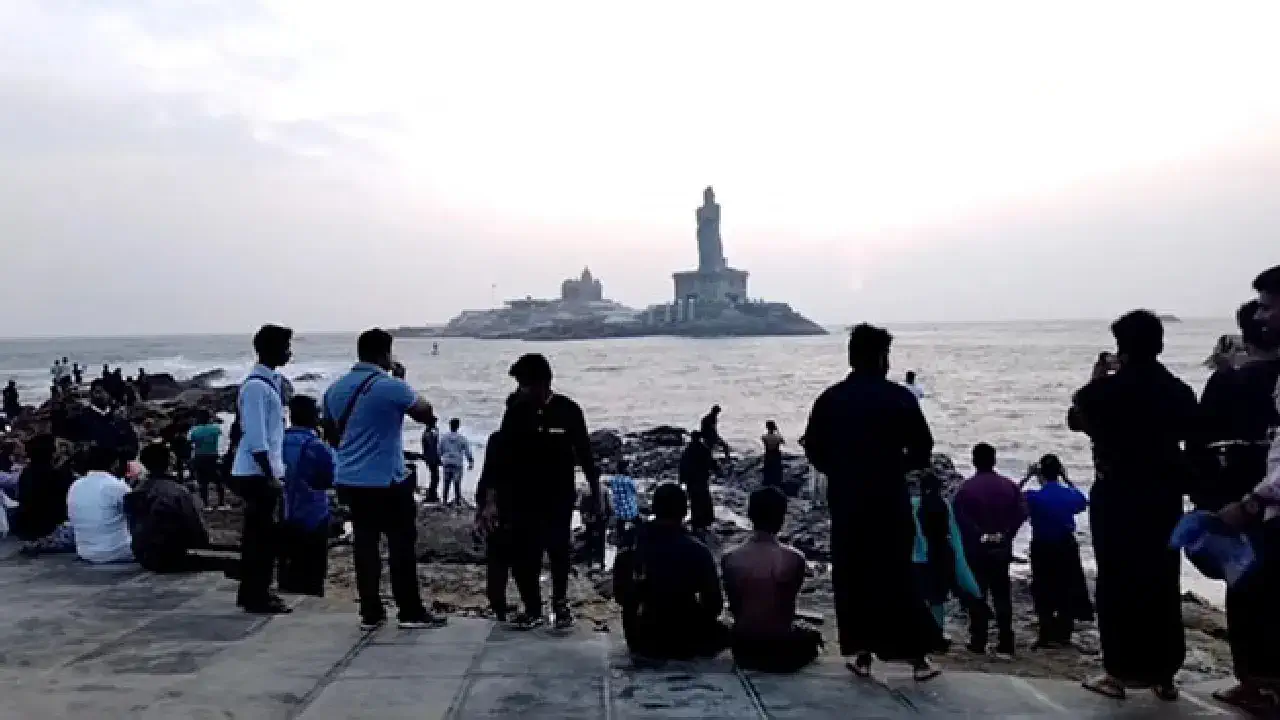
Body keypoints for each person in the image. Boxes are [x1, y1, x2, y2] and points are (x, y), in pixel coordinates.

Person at [803, 323, 942, 682]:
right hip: (889, 499)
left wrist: (843, 470)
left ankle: (862, 654)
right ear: (883, 357)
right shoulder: (899, 398)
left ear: (851, 356)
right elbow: (923, 451)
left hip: (848, 502)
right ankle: (917, 659)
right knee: (897, 574)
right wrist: (895, 465)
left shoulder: (830, 399)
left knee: (853, 577)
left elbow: (814, 450)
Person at [1069, 310, 1197, 701]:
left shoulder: (1102, 392)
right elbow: (1194, 434)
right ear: (1159, 344)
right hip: (1162, 497)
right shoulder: (1177, 391)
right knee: (1161, 579)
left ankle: (1119, 672)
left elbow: (1077, 420)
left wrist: (1098, 377)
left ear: (1120, 348)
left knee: (1117, 579)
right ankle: (1165, 674)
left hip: (1117, 494)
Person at [324, 328, 444, 631]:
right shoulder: (390, 386)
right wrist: (401, 380)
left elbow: (332, 434)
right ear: (385, 354)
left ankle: (371, 612)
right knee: (401, 545)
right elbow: (426, 414)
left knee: (365, 544)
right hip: (387, 480)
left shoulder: (334, 389)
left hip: (350, 478)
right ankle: (409, 611)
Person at [481, 353, 602, 631]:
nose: (520, 389)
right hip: (521, 497)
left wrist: (596, 493)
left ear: (542, 383)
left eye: (524, 383)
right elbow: (501, 458)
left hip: (559, 496)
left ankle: (560, 603)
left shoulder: (569, 410)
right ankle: (533, 607)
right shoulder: (515, 412)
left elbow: (585, 455)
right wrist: (491, 500)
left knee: (559, 550)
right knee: (526, 555)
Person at [1215, 267, 1280, 711]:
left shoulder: (1232, 382)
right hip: (1260, 497)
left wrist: (1257, 497)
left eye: (1269, 305)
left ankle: (1255, 683)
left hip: (1258, 500)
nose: (1263, 315)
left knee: (1249, 590)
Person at [613, 482, 729, 661]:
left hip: (641, 637)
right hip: (684, 637)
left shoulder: (631, 542)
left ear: (654, 509)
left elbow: (620, 595)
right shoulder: (697, 549)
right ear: (684, 512)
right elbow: (714, 604)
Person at [722, 487, 823, 672]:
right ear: (782, 518)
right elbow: (787, 602)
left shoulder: (730, 557)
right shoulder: (794, 558)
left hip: (743, 648)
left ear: (750, 515)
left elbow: (735, 605)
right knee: (812, 638)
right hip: (779, 647)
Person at [230, 324, 293, 615]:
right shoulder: (256, 387)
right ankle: (257, 595)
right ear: (271, 349)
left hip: (262, 471)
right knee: (260, 538)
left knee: (260, 535)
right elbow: (257, 438)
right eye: (285, 347)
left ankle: (253, 592)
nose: (289, 352)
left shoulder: (270, 383)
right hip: (256, 473)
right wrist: (271, 476)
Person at [952, 443, 1026, 658]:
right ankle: (1005, 641)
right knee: (1002, 594)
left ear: (974, 460)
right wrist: (1006, 533)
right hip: (1002, 548)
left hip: (977, 550)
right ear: (994, 460)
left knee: (978, 594)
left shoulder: (966, 489)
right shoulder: (1009, 486)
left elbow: (960, 519)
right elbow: (1022, 512)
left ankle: (978, 640)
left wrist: (979, 534)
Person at [124, 443, 233, 574]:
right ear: (170, 462)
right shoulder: (176, 491)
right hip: (172, 557)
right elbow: (196, 528)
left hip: (142, 554)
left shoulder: (135, 490)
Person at [1020, 454, 1092, 649]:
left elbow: (1013, 498)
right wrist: (1067, 478)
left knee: (1043, 587)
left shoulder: (1034, 497)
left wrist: (1027, 477)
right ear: (1058, 472)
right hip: (1065, 545)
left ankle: (1045, 631)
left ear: (1041, 473)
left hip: (1042, 545)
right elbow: (1083, 501)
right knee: (1067, 587)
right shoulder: (1068, 495)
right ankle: (1064, 633)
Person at [912, 469, 984, 647]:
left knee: (920, 598)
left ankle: (919, 634)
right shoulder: (944, 505)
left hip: (919, 558)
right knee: (937, 599)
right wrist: (962, 566)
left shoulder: (914, 504)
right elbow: (954, 535)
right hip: (942, 555)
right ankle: (936, 635)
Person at [279, 395, 335, 597]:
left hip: (284, 511)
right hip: (312, 512)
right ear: (314, 417)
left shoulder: (279, 440)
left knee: (287, 564)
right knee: (313, 569)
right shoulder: (316, 446)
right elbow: (330, 477)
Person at [67, 444, 135, 564]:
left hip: (85, 551)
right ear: (115, 464)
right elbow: (136, 514)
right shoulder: (116, 485)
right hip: (118, 551)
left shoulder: (75, 485)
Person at [11, 434, 76, 554]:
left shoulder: (26, 473)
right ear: (51, 452)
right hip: (50, 531)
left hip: (28, 531)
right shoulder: (57, 475)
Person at [475, 427, 514, 621]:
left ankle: (498, 604)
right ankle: (525, 606)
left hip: (498, 506)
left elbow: (487, 473)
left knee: (497, 559)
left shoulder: (496, 438)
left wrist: (481, 505)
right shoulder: (531, 438)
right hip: (513, 507)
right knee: (520, 560)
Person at [679, 431, 721, 537]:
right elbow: (711, 462)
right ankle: (705, 521)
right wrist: (717, 470)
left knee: (694, 500)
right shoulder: (704, 449)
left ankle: (696, 521)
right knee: (704, 498)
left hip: (691, 479)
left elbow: (683, 465)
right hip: (702, 478)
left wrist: (682, 479)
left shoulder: (688, 450)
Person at [188, 414, 226, 509]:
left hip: (199, 457)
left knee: (203, 482)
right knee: (219, 481)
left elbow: (190, 443)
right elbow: (222, 442)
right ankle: (221, 503)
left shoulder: (194, 430)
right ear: (209, 419)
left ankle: (206, 505)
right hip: (213, 456)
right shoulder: (216, 429)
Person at [438, 418, 474, 506]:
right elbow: (467, 451)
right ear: (458, 426)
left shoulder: (444, 438)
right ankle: (457, 501)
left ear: (450, 426)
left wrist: (440, 460)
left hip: (446, 462)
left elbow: (439, 451)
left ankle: (444, 501)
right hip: (457, 463)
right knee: (457, 483)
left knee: (446, 483)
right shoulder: (462, 438)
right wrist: (470, 461)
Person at [608, 458, 640, 546]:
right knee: (639, 526)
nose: (630, 468)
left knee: (620, 527)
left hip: (619, 511)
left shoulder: (612, 480)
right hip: (630, 510)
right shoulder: (628, 480)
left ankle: (620, 541)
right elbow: (635, 491)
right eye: (629, 467)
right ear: (625, 468)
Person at [579, 487, 610, 570]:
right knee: (602, 541)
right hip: (601, 519)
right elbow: (609, 505)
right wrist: (608, 518)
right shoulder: (604, 489)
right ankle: (601, 563)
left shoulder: (585, 490)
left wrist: (583, 519)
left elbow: (581, 506)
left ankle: (589, 563)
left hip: (590, 519)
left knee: (589, 542)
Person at [421, 416, 442, 503]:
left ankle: (432, 494)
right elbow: (432, 447)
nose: (435, 424)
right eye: (434, 423)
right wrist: (437, 458)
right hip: (431, 458)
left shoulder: (428, 432)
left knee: (435, 477)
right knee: (435, 477)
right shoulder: (428, 434)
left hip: (430, 457)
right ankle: (431, 495)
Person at [761, 421, 785, 489]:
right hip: (776, 454)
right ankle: (777, 483)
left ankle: (767, 483)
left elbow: (764, 441)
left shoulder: (764, 436)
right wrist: (777, 431)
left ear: (767, 427)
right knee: (777, 470)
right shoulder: (778, 437)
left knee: (767, 469)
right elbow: (783, 442)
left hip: (768, 454)